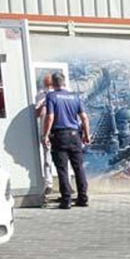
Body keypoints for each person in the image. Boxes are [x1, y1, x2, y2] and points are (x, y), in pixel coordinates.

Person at [42, 72, 91, 210]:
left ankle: (66, 200)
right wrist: (86, 135)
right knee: (79, 167)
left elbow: (50, 117)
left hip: (59, 136)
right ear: (64, 82)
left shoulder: (51, 96)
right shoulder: (75, 97)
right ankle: (83, 198)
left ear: (53, 83)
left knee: (62, 169)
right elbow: (84, 118)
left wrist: (45, 135)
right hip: (75, 135)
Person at [35, 74, 55, 196]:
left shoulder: (60, 95)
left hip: (58, 130)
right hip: (45, 130)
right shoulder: (40, 95)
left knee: (62, 158)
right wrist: (42, 105)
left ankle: (67, 183)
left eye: (50, 85)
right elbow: (36, 113)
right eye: (46, 85)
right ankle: (48, 184)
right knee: (47, 158)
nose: (48, 88)